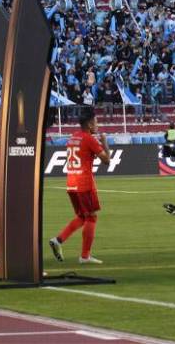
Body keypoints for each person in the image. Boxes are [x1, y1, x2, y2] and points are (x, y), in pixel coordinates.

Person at [49, 109, 111, 264]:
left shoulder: (73, 137)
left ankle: (58, 240)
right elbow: (107, 160)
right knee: (91, 217)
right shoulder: (89, 139)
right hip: (84, 184)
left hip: (71, 183)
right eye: (95, 122)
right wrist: (104, 142)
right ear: (90, 124)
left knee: (82, 217)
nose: (97, 124)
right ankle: (85, 256)